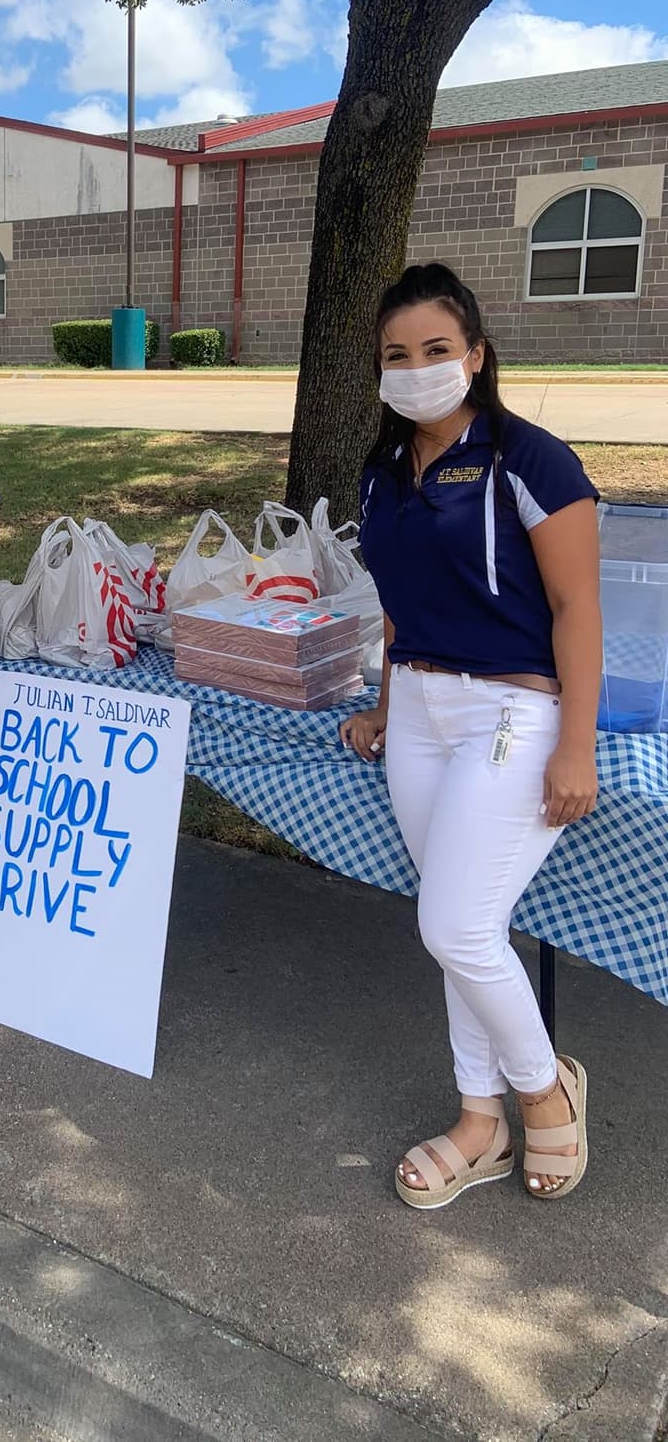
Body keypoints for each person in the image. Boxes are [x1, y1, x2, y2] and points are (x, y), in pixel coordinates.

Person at [340, 263, 601, 1209]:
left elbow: (577, 608)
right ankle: (477, 1118)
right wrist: (380, 702)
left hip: (510, 711)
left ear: (476, 355)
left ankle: (544, 1090)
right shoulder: (380, 472)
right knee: (462, 930)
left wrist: (577, 742)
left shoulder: (530, 459)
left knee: (451, 922)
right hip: (416, 711)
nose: (416, 369)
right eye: (396, 355)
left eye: (436, 350)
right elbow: (398, 607)